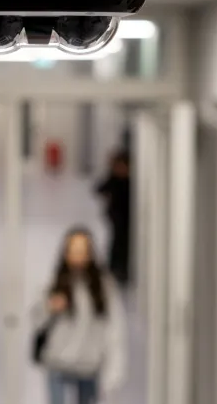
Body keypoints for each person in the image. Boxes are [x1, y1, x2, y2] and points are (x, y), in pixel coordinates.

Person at [31, 226, 127, 404]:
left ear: (90, 253)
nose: (78, 256)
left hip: (89, 366)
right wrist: (49, 307)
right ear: (65, 253)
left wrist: (114, 369)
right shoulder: (53, 283)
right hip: (58, 363)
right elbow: (36, 321)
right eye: (74, 250)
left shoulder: (104, 286)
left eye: (82, 250)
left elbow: (114, 328)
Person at [95, 151, 132, 287]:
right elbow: (99, 189)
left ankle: (122, 268)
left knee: (124, 242)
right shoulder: (113, 179)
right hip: (116, 215)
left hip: (127, 216)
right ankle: (114, 267)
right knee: (117, 240)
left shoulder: (130, 181)